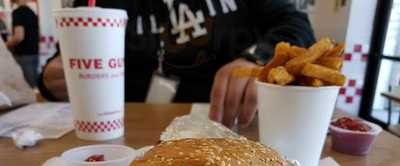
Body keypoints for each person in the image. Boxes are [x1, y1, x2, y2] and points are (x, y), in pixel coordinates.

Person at [39, 0, 315, 127]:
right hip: (126, 133)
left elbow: (297, 27)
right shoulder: (98, 2)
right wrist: (52, 80)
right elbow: (65, 58)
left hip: (234, 124)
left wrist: (258, 60)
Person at [6, 0, 39, 88]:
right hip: (34, 52)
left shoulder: (18, 13)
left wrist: (5, 45)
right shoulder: (32, 12)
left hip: (23, 55)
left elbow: (19, 37)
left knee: (26, 87)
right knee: (34, 85)